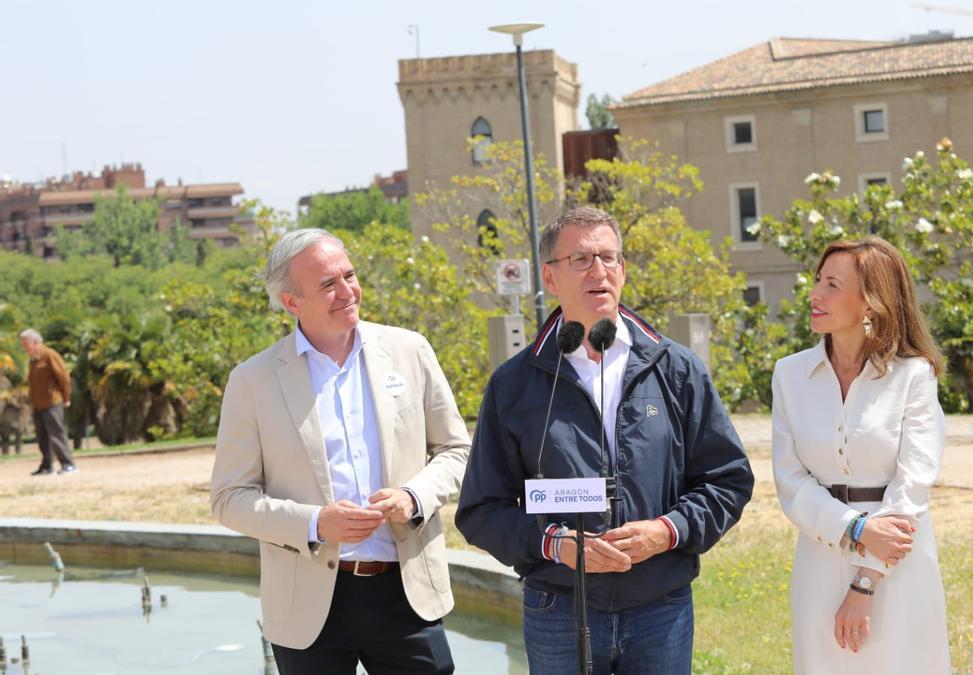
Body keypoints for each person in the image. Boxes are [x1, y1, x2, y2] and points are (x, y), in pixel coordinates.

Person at [456, 206, 754, 674]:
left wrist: (667, 531)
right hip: (557, 610)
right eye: (580, 259)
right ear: (550, 277)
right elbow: (481, 509)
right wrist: (555, 544)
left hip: (661, 606)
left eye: (608, 258)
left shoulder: (676, 369)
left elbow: (727, 481)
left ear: (623, 271)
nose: (599, 270)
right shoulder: (514, 384)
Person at [210, 229, 470, 674]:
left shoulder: (410, 350)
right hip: (307, 606)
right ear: (292, 302)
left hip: (405, 593)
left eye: (349, 275)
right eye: (328, 285)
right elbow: (229, 498)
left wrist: (413, 497)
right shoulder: (252, 380)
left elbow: (456, 451)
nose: (348, 292)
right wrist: (315, 523)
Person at [771, 236, 951, 674]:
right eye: (817, 281)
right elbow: (791, 482)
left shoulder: (914, 376)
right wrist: (854, 527)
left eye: (832, 285)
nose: (815, 295)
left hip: (898, 562)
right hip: (820, 554)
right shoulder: (790, 374)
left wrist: (865, 581)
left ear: (871, 302)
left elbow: (913, 487)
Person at [20, 329, 77, 476]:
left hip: (52, 402)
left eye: (26, 343)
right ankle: (47, 466)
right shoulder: (33, 359)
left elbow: (64, 378)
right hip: (38, 404)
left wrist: (66, 398)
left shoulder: (49, 355)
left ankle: (68, 464)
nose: (24, 347)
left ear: (36, 342)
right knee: (42, 437)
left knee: (57, 434)